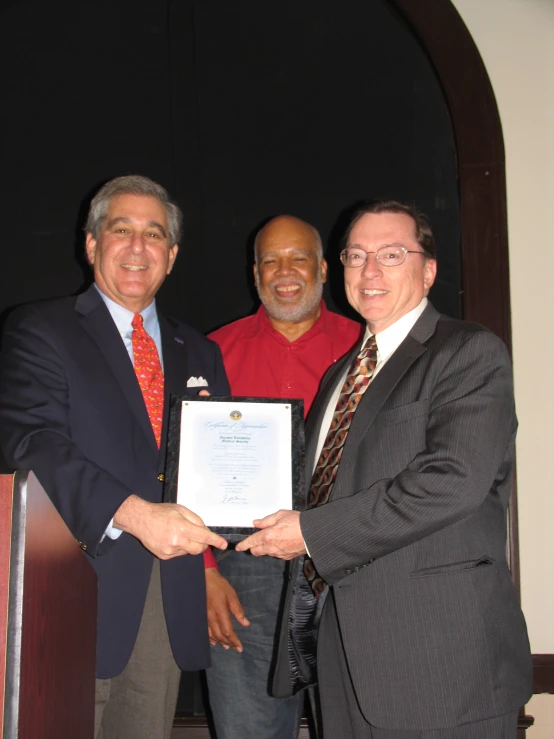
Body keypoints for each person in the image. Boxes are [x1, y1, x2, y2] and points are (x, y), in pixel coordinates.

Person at [236, 200, 533, 739]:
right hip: (342, 655)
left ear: (429, 270)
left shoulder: (467, 352)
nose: (369, 271)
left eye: (391, 254)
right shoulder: (340, 375)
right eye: (356, 255)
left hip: (440, 664)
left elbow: (453, 482)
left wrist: (308, 532)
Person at [0, 175, 230, 739]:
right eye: (120, 229)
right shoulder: (41, 329)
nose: (137, 247)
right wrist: (134, 513)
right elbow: (33, 444)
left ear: (171, 256)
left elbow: (218, 462)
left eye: (154, 235)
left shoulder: (199, 351)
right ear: (91, 244)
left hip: (165, 598)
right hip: (73, 587)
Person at [204, 215, 362, 739]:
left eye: (297, 258)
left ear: (322, 268)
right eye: (270, 260)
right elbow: (179, 475)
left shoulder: (369, 349)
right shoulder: (210, 353)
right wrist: (203, 574)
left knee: (359, 723)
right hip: (242, 572)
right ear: (255, 275)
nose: (284, 271)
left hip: (349, 565)